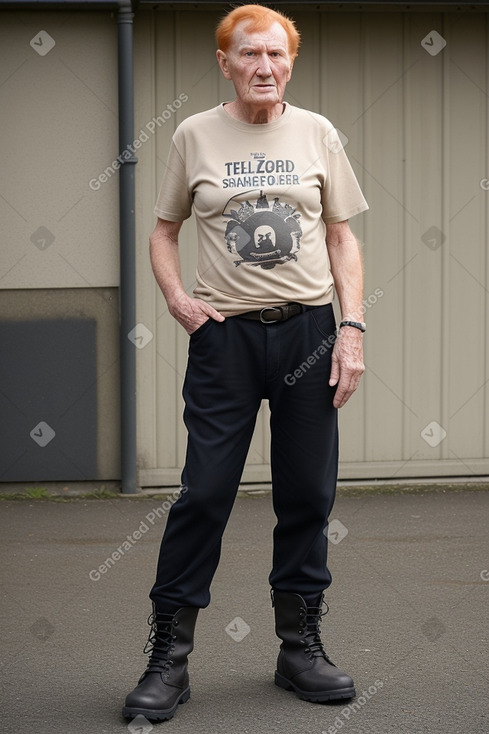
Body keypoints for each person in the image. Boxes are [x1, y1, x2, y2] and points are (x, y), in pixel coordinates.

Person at [123, 3, 368, 723]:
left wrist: (350, 327)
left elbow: (342, 238)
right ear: (225, 62)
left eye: (277, 55)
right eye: (249, 55)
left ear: (290, 61)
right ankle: (168, 659)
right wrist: (177, 299)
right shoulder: (195, 134)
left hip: (310, 334)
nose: (265, 67)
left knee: (306, 496)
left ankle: (299, 651)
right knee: (203, 494)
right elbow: (163, 233)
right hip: (224, 339)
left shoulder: (317, 132)